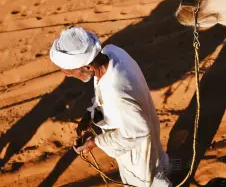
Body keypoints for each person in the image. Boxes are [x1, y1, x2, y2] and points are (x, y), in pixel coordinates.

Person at [49, 27, 171, 187]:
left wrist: (96, 142)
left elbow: (138, 131)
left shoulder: (116, 90)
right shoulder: (112, 52)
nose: (67, 75)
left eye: (70, 72)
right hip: (142, 125)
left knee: (145, 180)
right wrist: (91, 117)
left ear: (87, 67)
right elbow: (108, 98)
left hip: (138, 151)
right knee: (157, 165)